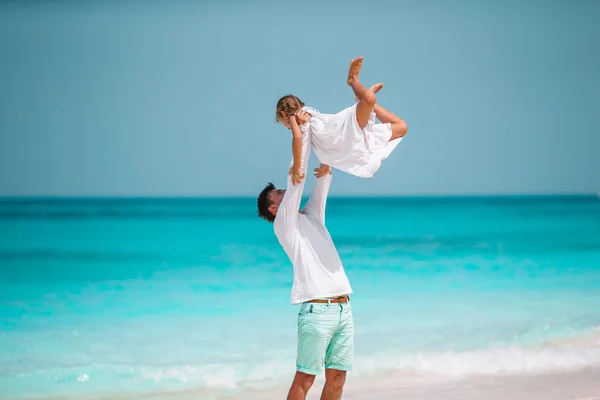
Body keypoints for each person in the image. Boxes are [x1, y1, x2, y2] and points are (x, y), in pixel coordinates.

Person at [256, 109, 354, 400]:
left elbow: (321, 182)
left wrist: (326, 158)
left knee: (337, 379)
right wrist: (299, 131)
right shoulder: (284, 225)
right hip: (316, 310)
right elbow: (297, 175)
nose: (288, 193)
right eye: (281, 194)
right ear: (274, 208)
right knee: (305, 379)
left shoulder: (312, 217)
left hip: (343, 308)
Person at [276, 56, 408, 185]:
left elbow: (298, 137)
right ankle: (364, 102)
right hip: (346, 139)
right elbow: (325, 139)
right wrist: (327, 164)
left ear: (283, 113)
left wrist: (297, 168)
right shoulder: (309, 115)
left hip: (344, 134)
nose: (285, 125)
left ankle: (354, 82)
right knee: (401, 126)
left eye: (281, 120)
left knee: (371, 101)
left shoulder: (295, 117)